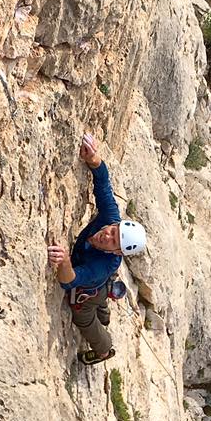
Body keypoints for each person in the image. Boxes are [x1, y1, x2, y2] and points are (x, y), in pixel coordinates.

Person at [48, 134, 147, 365]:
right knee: (101, 294)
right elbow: (103, 186)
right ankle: (105, 312)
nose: (107, 235)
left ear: (117, 252)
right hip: (100, 280)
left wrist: (64, 262)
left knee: (83, 314)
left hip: (91, 285)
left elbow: (70, 281)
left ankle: (104, 350)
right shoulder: (110, 218)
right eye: (113, 230)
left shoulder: (103, 264)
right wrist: (94, 159)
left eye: (113, 241)